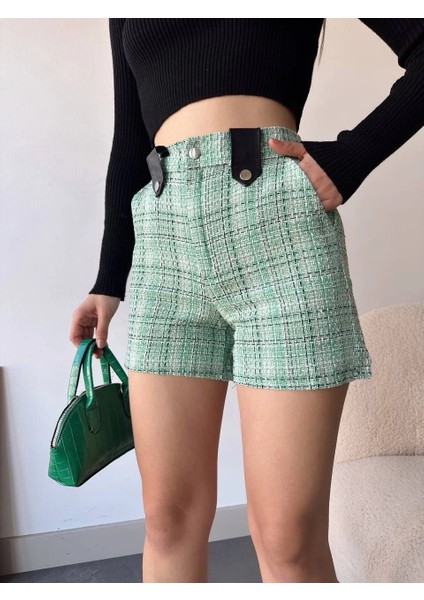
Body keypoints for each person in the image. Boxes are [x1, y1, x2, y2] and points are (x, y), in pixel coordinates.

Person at [69, 18, 424, 583]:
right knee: (167, 519)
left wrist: (350, 159)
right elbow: (130, 137)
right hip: (165, 243)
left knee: (288, 540)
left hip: (281, 231)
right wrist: (109, 279)